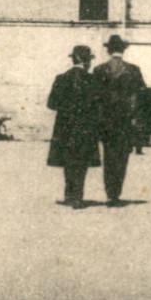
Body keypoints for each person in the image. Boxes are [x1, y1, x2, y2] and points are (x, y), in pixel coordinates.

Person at [46, 45, 102, 207]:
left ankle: (69, 195)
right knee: (82, 161)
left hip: (65, 127)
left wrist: (66, 109)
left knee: (68, 160)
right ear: (86, 61)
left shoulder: (61, 78)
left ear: (73, 59)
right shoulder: (92, 80)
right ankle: (78, 195)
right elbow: (98, 104)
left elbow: (51, 104)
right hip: (85, 127)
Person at [93, 35, 145, 205]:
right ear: (123, 50)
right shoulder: (134, 70)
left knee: (109, 156)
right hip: (125, 121)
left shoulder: (100, 70)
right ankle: (116, 192)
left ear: (108, 50)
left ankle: (110, 192)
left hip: (106, 121)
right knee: (122, 157)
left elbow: (96, 98)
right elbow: (140, 96)